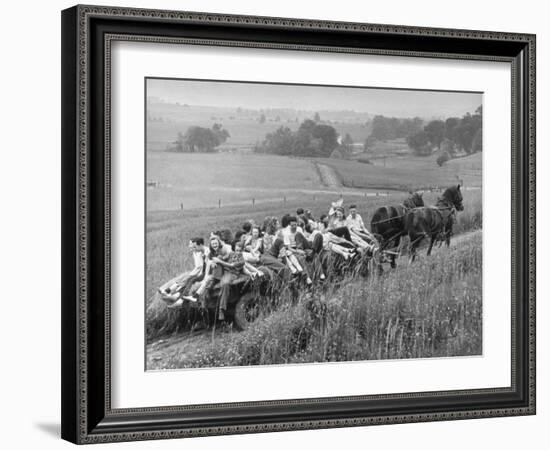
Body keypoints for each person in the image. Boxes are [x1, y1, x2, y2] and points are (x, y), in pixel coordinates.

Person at [158, 237, 209, 308]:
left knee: (190, 279)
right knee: (187, 278)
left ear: (199, 245)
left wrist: (193, 275)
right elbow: (199, 266)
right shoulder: (197, 252)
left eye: (193, 246)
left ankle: (177, 297)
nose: (190, 246)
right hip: (202, 272)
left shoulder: (205, 252)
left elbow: (200, 267)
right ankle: (173, 293)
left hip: (205, 273)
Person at [211, 240, 249, 320]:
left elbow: (231, 266)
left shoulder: (242, 261)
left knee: (225, 284)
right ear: (234, 249)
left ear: (242, 250)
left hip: (233, 274)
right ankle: (213, 281)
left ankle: (221, 309)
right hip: (224, 272)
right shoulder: (231, 254)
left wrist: (220, 261)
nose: (238, 252)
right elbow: (222, 257)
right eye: (236, 250)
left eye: (240, 250)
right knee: (216, 267)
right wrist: (216, 260)